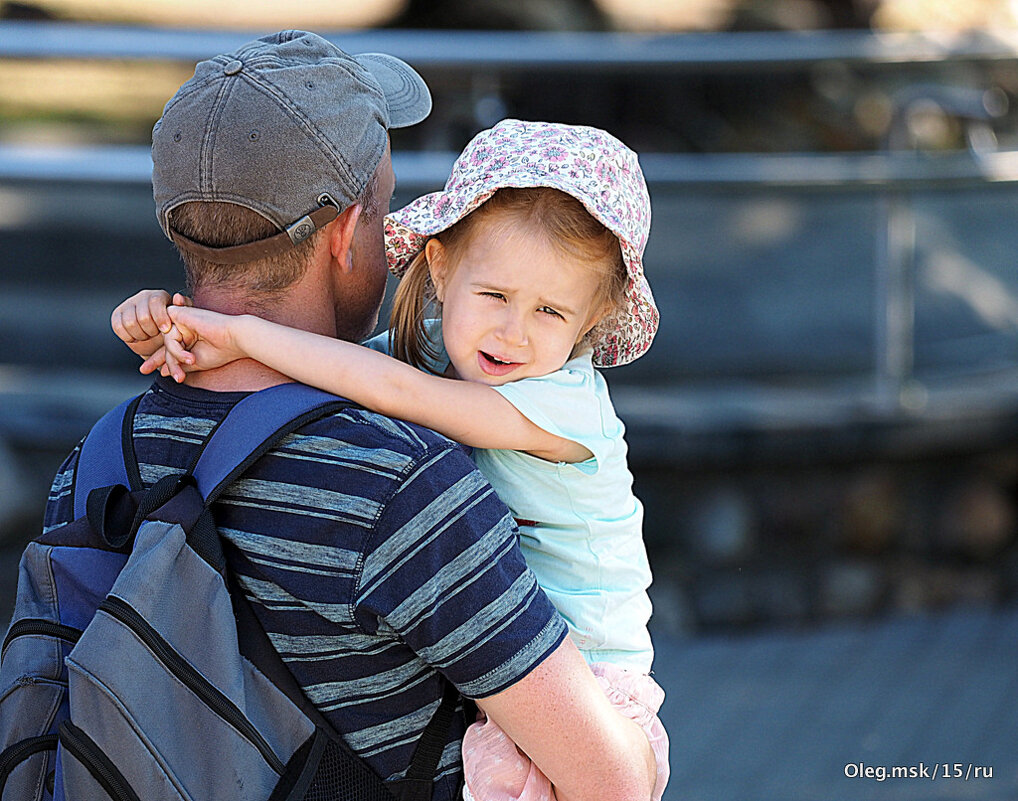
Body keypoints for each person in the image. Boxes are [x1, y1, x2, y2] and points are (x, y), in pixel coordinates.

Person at [52, 32, 655, 801]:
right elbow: (614, 782)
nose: (512, 326)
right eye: (381, 211)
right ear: (345, 235)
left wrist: (215, 335)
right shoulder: (405, 488)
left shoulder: (101, 459)